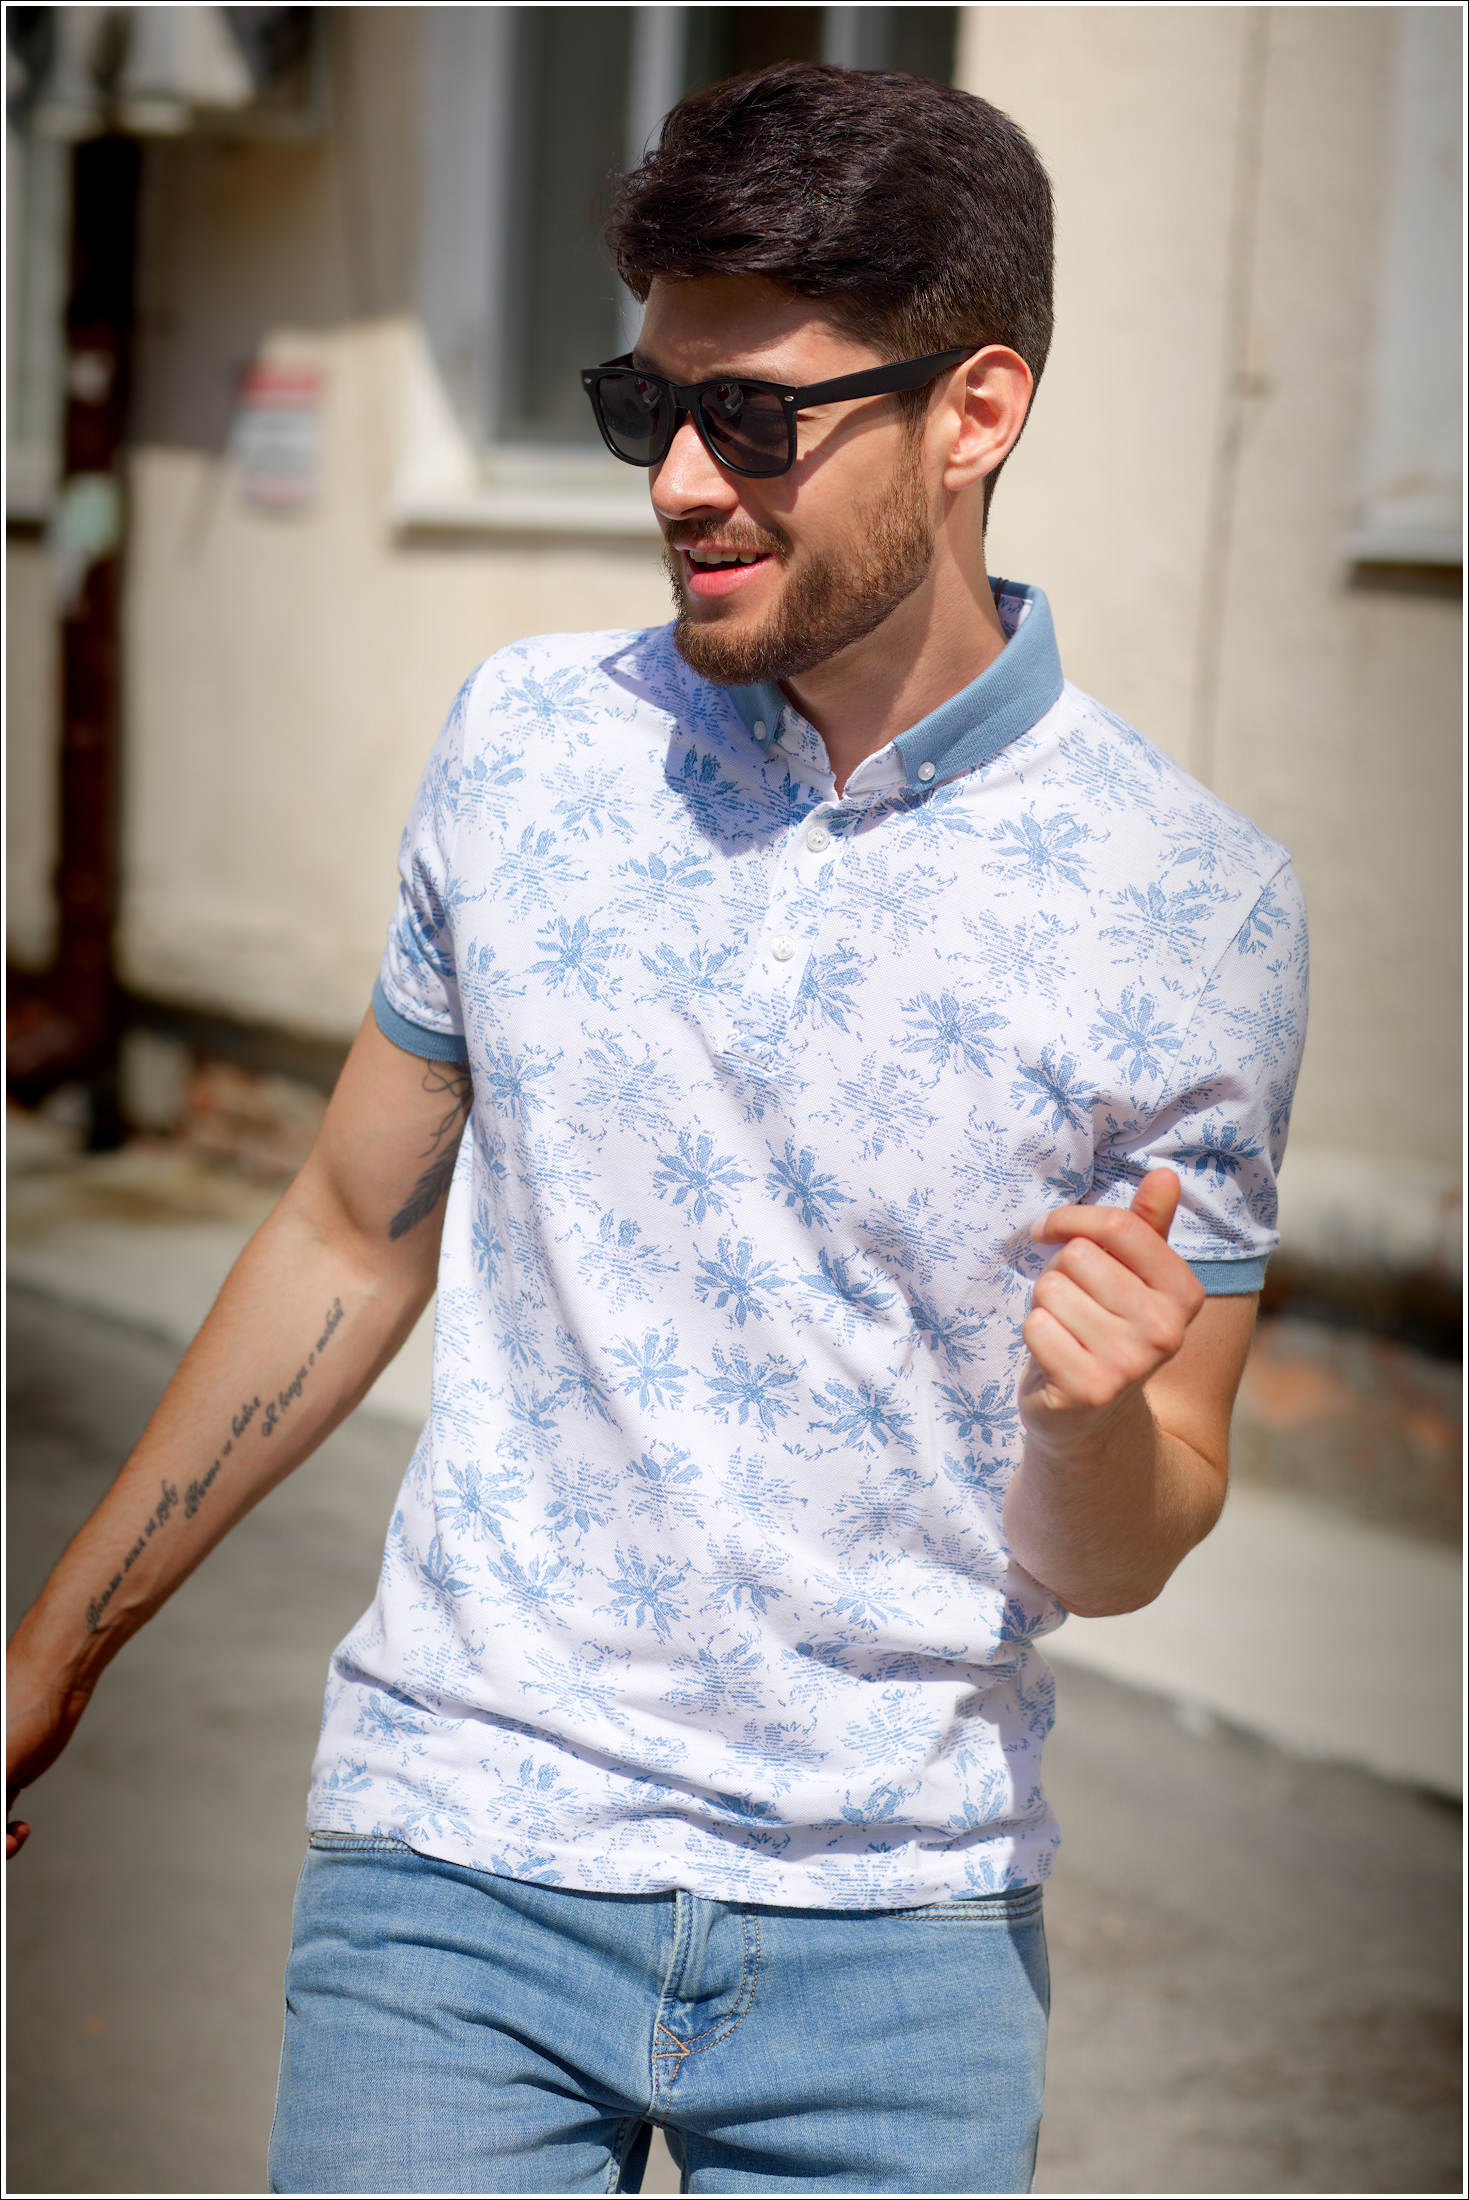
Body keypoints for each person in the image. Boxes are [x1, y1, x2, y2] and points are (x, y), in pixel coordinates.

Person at [7, 60, 1308, 2198]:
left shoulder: (1193, 908)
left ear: (976, 412)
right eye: (647, 408)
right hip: (461, 1858)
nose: (683, 481)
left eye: (755, 420)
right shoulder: (532, 746)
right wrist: (50, 1646)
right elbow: (346, 1232)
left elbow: (1131, 1537)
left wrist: (1089, 1430)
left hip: (897, 1931)